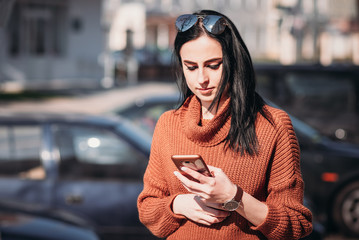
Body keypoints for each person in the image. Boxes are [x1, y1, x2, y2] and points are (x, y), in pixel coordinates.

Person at [137, 9, 313, 240]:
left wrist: (233, 197)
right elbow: (147, 208)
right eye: (191, 67)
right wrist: (179, 204)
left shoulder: (272, 125)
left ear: (233, 62)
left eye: (213, 65)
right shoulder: (168, 124)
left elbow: (295, 224)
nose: (201, 79)